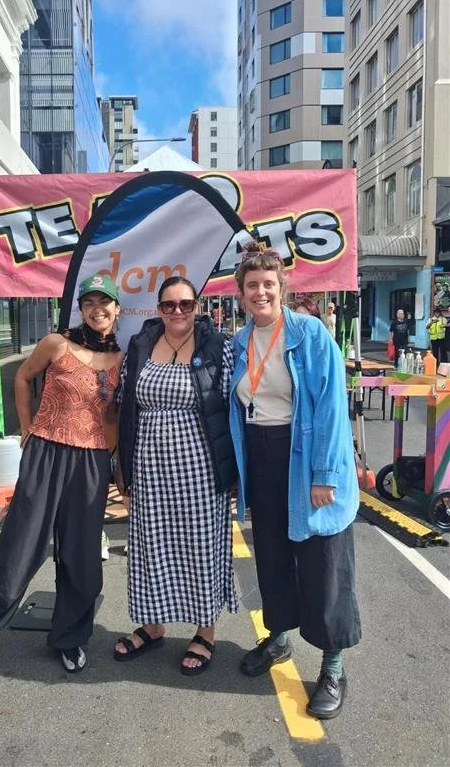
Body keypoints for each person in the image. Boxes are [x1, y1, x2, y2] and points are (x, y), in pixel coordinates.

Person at [0, 274, 123, 679]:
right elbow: (24, 377)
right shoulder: (57, 343)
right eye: (89, 302)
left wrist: (109, 459)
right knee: (19, 549)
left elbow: (113, 414)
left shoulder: (121, 359)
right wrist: (26, 426)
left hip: (91, 463)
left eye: (105, 302)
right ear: (81, 309)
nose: (97, 309)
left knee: (82, 559)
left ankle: (69, 638)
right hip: (46, 453)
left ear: (117, 308)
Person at [229, 245, 361, 720]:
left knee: (323, 562)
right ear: (241, 293)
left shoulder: (310, 334)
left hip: (305, 458)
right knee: (272, 557)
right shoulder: (238, 341)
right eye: (252, 285)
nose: (260, 292)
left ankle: (333, 666)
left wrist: (324, 475)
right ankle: (279, 638)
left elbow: (330, 408)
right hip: (262, 457)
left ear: (281, 288)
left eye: (268, 284)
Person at [114, 276, 238, 675]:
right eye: (169, 305)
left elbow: (231, 407)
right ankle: (153, 624)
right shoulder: (141, 344)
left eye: (185, 304)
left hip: (199, 467)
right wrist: (122, 470)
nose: (178, 311)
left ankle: (205, 631)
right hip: (149, 466)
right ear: (159, 309)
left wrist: (234, 473)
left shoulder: (216, 346)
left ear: (197, 306)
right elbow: (124, 404)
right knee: (151, 544)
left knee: (200, 546)